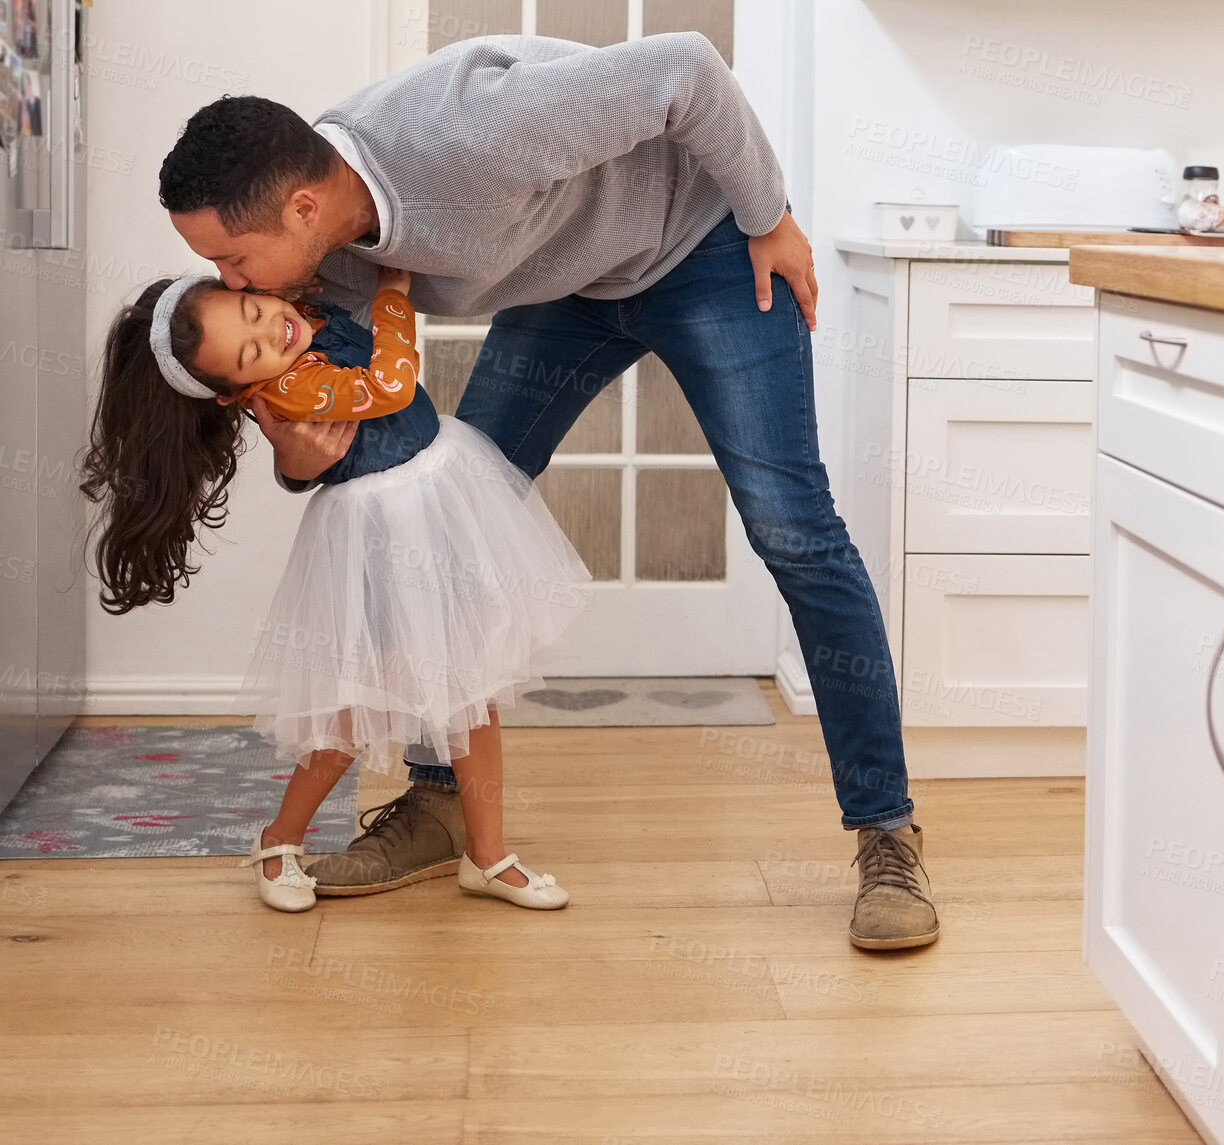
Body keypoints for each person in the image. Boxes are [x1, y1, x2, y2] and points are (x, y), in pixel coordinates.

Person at [155, 30, 939, 949]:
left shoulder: (473, 134)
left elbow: (686, 67)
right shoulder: (324, 253)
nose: (228, 283)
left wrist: (769, 216)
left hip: (705, 254)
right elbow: (369, 442)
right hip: (569, 289)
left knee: (792, 527)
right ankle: (442, 805)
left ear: (300, 206)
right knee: (450, 516)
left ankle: (885, 830)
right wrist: (299, 460)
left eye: (237, 261)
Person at [79, 266, 589, 913]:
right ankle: (279, 838)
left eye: (254, 312)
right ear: (241, 393)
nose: (273, 331)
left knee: (473, 691)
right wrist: (394, 302)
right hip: (382, 530)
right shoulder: (293, 385)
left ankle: (486, 854)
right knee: (354, 707)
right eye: (251, 353)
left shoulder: (303, 311)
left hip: (439, 493)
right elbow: (390, 383)